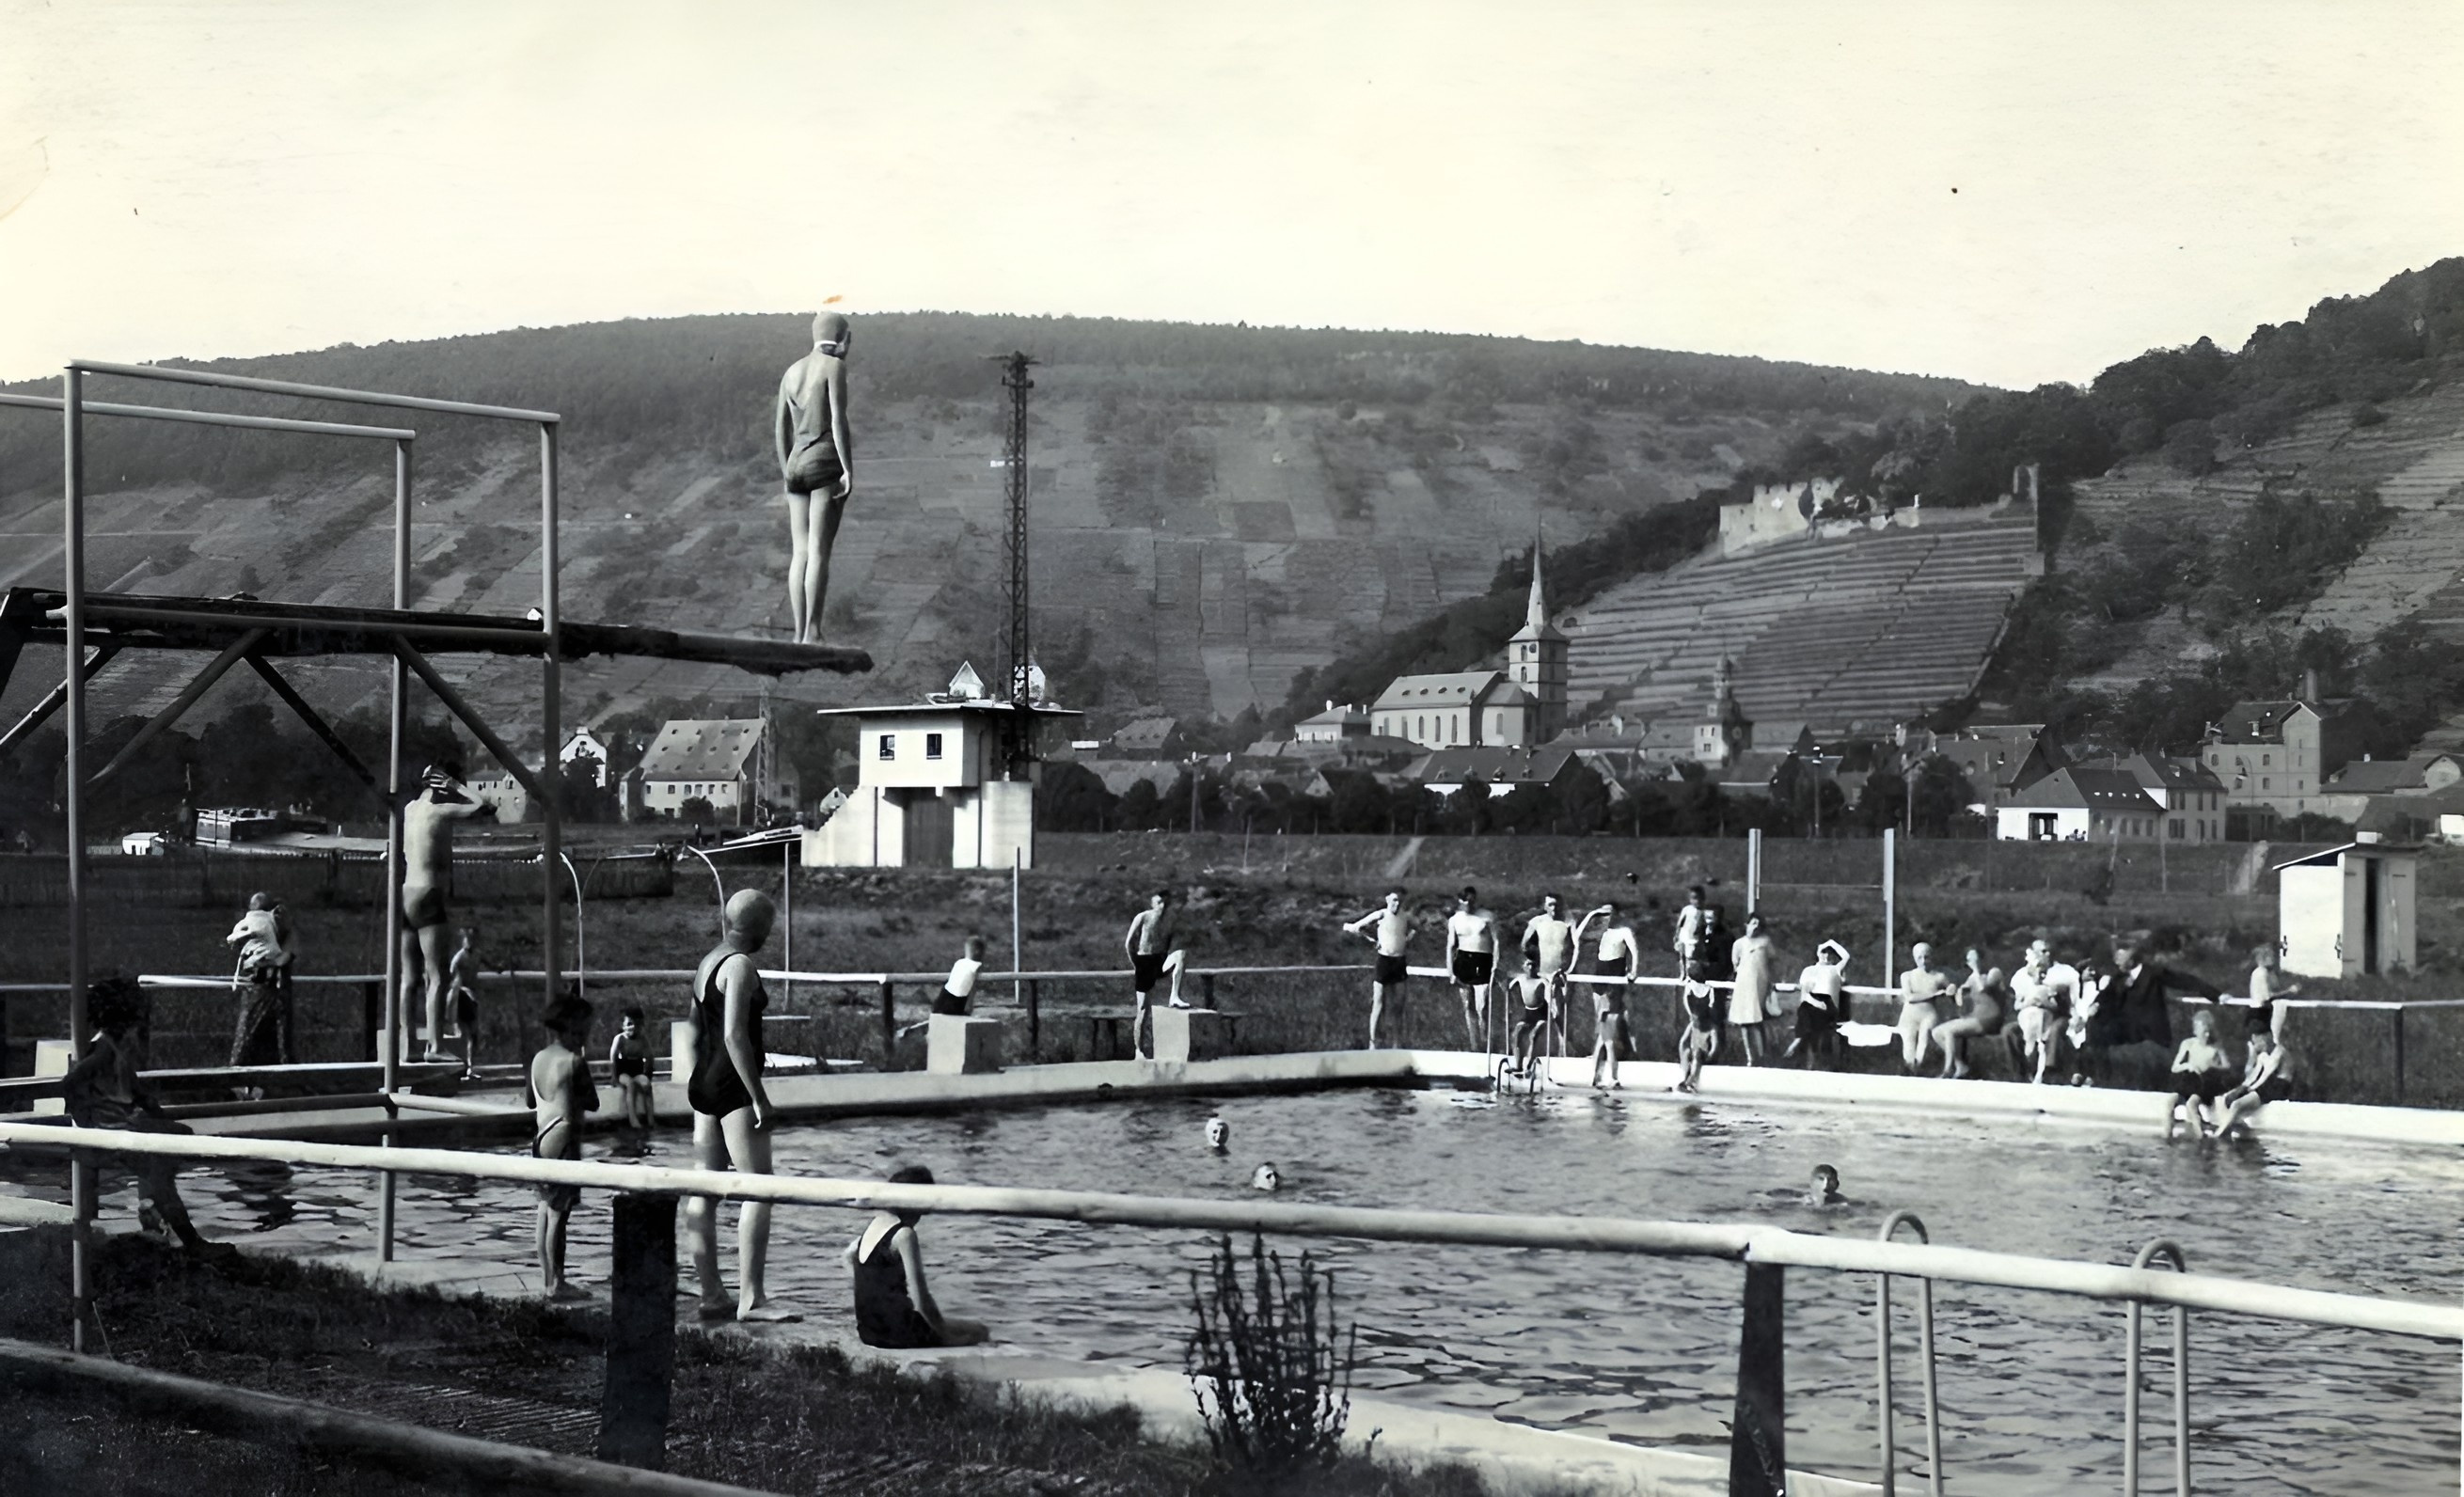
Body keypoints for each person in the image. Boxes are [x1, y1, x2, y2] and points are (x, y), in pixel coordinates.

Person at [686, 889, 797, 1322]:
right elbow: (735, 1035)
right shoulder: (741, 966)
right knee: (759, 1188)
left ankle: (712, 1294)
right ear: (763, 929)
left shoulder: (708, 961)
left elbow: (696, 1029)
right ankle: (752, 1298)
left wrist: (698, 1079)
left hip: (703, 1084)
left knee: (706, 1187)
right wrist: (759, 1097)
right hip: (732, 1087)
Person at [61, 975, 226, 1258]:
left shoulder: (117, 1044)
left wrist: (149, 1105)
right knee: (163, 1163)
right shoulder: (102, 1049)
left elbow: (131, 1083)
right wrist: (87, 1123)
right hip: (113, 1130)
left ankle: (154, 1204)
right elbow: (71, 1082)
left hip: (124, 1125)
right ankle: (182, 1232)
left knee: (178, 1137)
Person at [399, 764, 492, 1064]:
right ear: (442, 789)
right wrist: (456, 786)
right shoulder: (439, 812)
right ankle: (435, 1047)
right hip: (428, 893)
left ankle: (408, 1044)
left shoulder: (410, 809)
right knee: (436, 976)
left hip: (405, 893)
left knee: (408, 978)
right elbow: (482, 804)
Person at [776, 310, 857, 645]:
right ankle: (813, 630)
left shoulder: (791, 372)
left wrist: (786, 472)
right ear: (844, 339)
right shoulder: (834, 367)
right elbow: (838, 422)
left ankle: (798, 633)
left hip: (795, 467)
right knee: (819, 551)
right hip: (824, 465)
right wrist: (848, 468)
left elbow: (780, 430)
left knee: (800, 553)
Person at [845, 1165, 987, 1348]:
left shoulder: (875, 1224)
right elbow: (921, 1300)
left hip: (869, 1332)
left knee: (958, 1325)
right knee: (979, 1331)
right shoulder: (904, 1234)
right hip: (898, 1333)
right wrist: (946, 1337)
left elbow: (850, 1259)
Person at [527, 992, 600, 1300]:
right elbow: (593, 1102)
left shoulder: (538, 1059)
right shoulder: (574, 1062)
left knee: (544, 1210)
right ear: (573, 1027)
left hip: (541, 1137)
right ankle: (557, 1283)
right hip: (565, 1139)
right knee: (559, 1216)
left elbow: (532, 1100)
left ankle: (547, 1280)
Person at [2089, 943, 2222, 1084]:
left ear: (2132, 959)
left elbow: (2185, 980)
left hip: (2149, 1029)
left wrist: (2217, 995)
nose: (2116, 961)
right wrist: (2096, 1005)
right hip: (2128, 1029)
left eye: (2120, 957)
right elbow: (2106, 995)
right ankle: (2101, 1077)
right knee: (2096, 1027)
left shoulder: (2153, 973)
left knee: (2144, 1056)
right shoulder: (2119, 977)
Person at [224, 890, 296, 1071]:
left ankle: (283, 1086)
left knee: (280, 1048)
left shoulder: (288, 937)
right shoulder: (259, 934)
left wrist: (263, 961)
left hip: (274, 995)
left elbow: (282, 959)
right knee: (246, 1047)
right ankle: (241, 1085)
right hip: (258, 994)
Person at [1572, 901, 1639, 1090]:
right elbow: (1576, 936)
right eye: (1603, 915)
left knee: (1607, 1034)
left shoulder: (1623, 931)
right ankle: (1598, 1074)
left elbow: (1634, 951)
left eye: (1608, 914)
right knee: (1602, 1030)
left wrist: (1633, 971)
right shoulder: (1601, 934)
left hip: (1613, 985)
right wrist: (1592, 914)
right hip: (1599, 984)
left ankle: (1610, 1076)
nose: (1605, 918)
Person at [1342, 889, 1414, 1049]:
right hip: (1384, 961)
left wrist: (1407, 938)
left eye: (1400, 900)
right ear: (1388, 899)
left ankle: (1396, 1043)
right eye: (1394, 900)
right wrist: (1373, 939)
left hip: (1399, 962)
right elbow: (1357, 927)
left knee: (1398, 1005)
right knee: (1379, 1003)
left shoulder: (1405, 916)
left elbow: (1417, 927)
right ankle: (1373, 1043)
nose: (1397, 903)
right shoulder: (1380, 915)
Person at [1124, 889, 1188, 1060]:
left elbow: (1172, 941)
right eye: (1159, 902)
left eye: (1165, 903)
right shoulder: (1143, 917)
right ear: (1153, 904)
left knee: (1181, 955)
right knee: (1143, 1009)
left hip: (1160, 960)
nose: (1162, 906)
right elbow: (1129, 942)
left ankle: (1174, 996)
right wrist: (1135, 963)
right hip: (1144, 961)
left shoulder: (1170, 921)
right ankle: (1139, 1051)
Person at [2008, 939, 2078, 1085]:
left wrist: (2046, 1001)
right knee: (2008, 1031)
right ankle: (2019, 1071)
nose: (2048, 954)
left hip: (2056, 1014)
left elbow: (2070, 1001)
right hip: (2027, 1017)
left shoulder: (2064, 971)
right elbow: (2016, 1002)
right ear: (2032, 953)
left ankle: (2048, 1070)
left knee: (2053, 1031)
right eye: (2043, 951)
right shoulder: (2021, 975)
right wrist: (2026, 1003)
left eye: (2049, 950)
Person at [1931, 948, 2006, 1079]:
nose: (1974, 962)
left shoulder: (1994, 972)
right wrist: (1955, 992)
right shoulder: (1972, 978)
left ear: (1983, 959)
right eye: (1970, 960)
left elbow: (1983, 988)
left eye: (1976, 958)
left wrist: (1975, 971)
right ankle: (1960, 1065)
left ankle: (1948, 1070)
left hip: (1990, 1018)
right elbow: (1960, 1000)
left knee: (1948, 1031)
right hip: (1976, 1017)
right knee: (1936, 1032)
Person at [1520, 893, 1576, 1058]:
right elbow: (1524, 944)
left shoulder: (1567, 922)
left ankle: (1564, 1047)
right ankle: (1554, 1048)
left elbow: (1575, 946)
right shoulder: (1537, 922)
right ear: (1545, 906)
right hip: (1543, 974)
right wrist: (1533, 962)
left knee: (1561, 1011)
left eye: (1557, 905)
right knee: (1545, 1014)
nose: (1554, 908)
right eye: (1550, 905)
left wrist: (1569, 968)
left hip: (1561, 974)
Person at [2165, 1009, 2234, 1142]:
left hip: (2206, 1080)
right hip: (2190, 1079)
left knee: (2191, 1104)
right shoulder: (2188, 1044)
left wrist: (2213, 1066)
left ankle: (2200, 1139)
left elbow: (2227, 1066)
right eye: (2200, 1031)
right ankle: (2167, 1137)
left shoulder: (2216, 1046)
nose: (2204, 1036)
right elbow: (2175, 1067)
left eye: (2206, 1032)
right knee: (2170, 1102)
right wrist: (2188, 1065)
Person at [1443, 887, 1498, 1050]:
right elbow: (1450, 946)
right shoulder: (1455, 920)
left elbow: (1496, 941)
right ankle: (1475, 1046)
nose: (1469, 904)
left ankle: (1487, 1044)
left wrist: (1495, 964)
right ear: (1460, 901)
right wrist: (1450, 971)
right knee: (1468, 1006)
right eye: (1465, 901)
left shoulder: (1487, 917)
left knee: (1483, 1007)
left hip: (1483, 961)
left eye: (1472, 900)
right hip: (1463, 961)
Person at [2215, 1026, 2294, 1141]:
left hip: (2280, 1085)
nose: (2260, 1045)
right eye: (2257, 1042)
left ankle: (2219, 1134)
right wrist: (2241, 1088)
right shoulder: (2262, 1055)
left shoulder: (2279, 1051)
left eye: (2261, 1041)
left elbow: (2266, 1074)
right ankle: (2230, 1127)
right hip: (2267, 1085)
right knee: (2223, 1098)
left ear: (2268, 1037)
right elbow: (2253, 1075)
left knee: (2237, 1105)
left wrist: (2251, 1089)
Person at [1786, 939, 1850, 1069]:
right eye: (1822, 952)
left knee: (1811, 1018)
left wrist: (1831, 943)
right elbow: (1805, 993)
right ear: (1816, 953)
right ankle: (1806, 1054)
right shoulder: (1809, 970)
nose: (1825, 956)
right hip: (1810, 1002)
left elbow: (1846, 956)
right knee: (1805, 1008)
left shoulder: (1835, 969)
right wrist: (1816, 1002)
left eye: (1828, 953)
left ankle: (1799, 1042)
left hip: (1828, 1005)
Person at [1727, 911, 1777, 1066]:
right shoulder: (1739, 944)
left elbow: (1773, 962)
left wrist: (1771, 982)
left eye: (1759, 924)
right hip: (1744, 985)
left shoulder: (1765, 942)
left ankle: (1763, 1056)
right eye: (1753, 923)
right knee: (1744, 1021)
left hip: (1760, 985)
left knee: (1757, 1019)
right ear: (1746, 925)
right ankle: (1751, 1057)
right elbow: (1736, 965)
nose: (1756, 926)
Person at [1896, 943, 1953, 1074]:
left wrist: (1951, 989)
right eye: (1919, 957)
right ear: (1914, 958)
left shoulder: (1939, 977)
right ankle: (1910, 1068)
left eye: (1926, 957)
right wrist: (1934, 994)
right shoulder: (1907, 976)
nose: (1923, 961)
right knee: (1908, 1039)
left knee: (1925, 1035)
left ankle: (1918, 1066)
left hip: (1928, 1015)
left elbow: (1951, 990)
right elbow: (1910, 997)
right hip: (1909, 1015)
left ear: (1931, 957)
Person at [1675, 955, 1721, 1094]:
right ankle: (1684, 1078)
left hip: (1702, 1053)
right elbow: (1683, 1041)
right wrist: (1683, 1051)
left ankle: (1691, 1082)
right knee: (1689, 1051)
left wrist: (1710, 1054)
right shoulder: (1693, 1025)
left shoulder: (1710, 1027)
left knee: (1697, 1053)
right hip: (1693, 1050)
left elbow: (1714, 1046)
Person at [609, 1005, 655, 1141]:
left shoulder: (642, 1039)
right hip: (623, 1070)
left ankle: (651, 1118)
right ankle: (633, 1119)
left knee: (647, 1086)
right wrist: (613, 1076)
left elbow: (650, 1057)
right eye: (628, 1025)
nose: (631, 1028)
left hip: (637, 1070)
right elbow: (613, 1058)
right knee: (631, 1085)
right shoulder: (620, 1039)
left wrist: (648, 1075)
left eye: (634, 1025)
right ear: (623, 1026)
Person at [1504, 953, 1552, 1080]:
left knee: (1534, 1035)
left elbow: (1550, 992)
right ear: (1523, 967)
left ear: (1537, 968)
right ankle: (1518, 1066)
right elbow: (1507, 988)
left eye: (1533, 965)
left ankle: (1529, 1066)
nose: (1530, 968)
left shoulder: (1542, 981)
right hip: (1528, 1013)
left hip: (1541, 1013)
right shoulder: (1520, 979)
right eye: (1528, 965)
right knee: (1516, 1033)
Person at [445, 927, 482, 1079]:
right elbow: (450, 976)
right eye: (468, 939)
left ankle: (470, 1067)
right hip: (461, 996)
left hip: (472, 996)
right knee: (462, 1033)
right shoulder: (459, 958)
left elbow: (487, 963)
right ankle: (462, 1067)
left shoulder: (478, 955)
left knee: (474, 1034)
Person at [2247, 943, 2297, 1041]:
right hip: (2259, 1013)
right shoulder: (2261, 973)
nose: (2273, 958)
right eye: (2271, 956)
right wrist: (2289, 991)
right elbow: (2267, 996)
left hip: (2266, 1011)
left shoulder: (2269, 973)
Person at [933, 936, 987, 1016]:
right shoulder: (976, 966)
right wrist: (970, 1004)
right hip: (957, 1001)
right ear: (977, 952)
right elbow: (973, 987)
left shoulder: (959, 963)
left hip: (943, 996)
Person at [1673, 884, 1711, 968]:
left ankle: (1693, 974)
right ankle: (1683, 974)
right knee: (1682, 956)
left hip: (1696, 939)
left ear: (1703, 899)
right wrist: (1677, 935)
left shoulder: (1704, 911)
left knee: (1693, 957)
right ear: (1690, 899)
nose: (1697, 901)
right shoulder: (1687, 910)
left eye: (1699, 899)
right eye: (1694, 898)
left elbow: (1706, 926)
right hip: (1685, 936)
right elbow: (1680, 924)